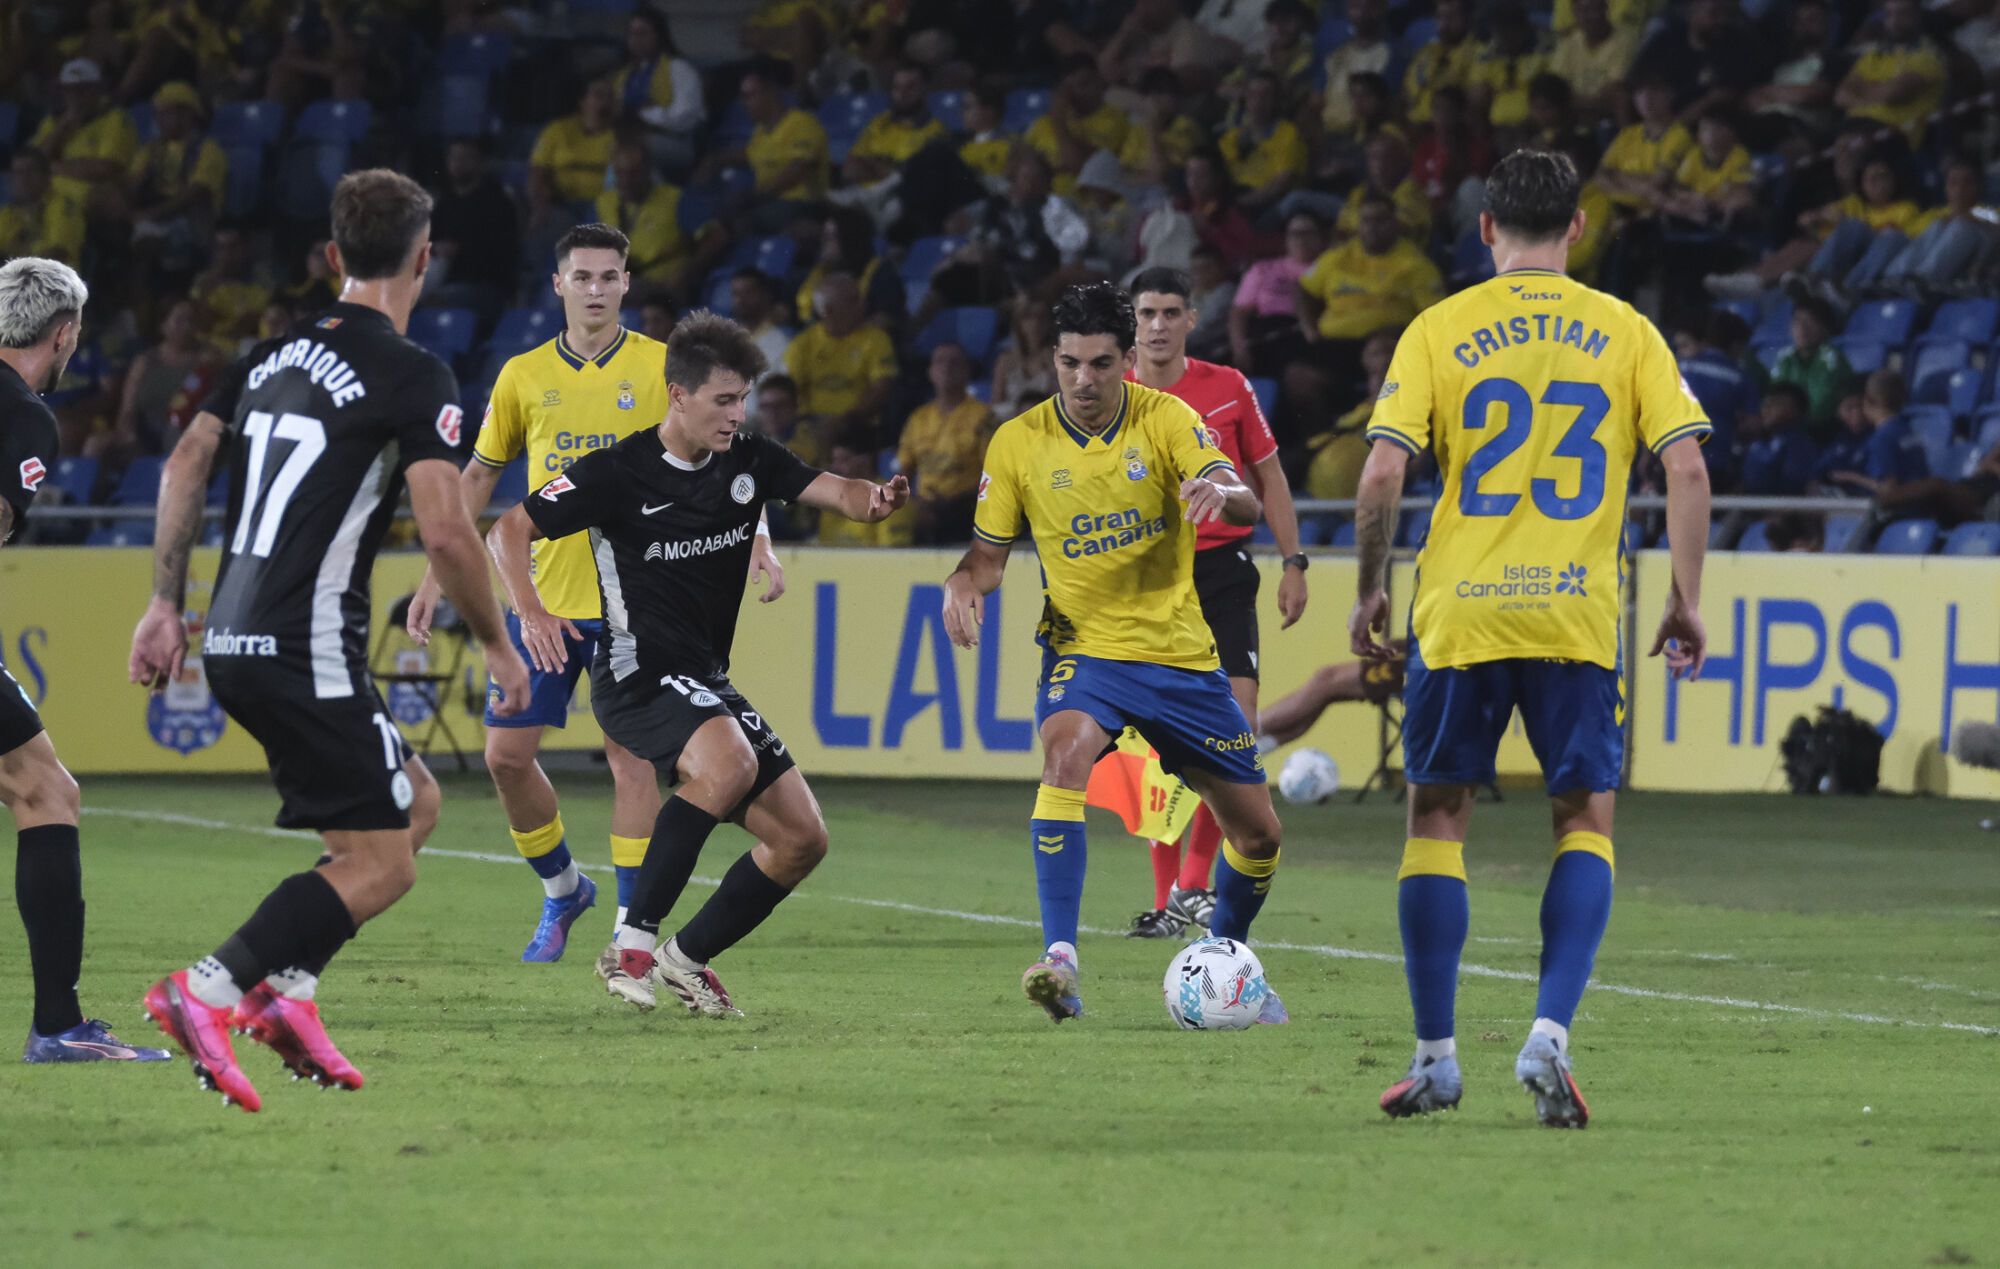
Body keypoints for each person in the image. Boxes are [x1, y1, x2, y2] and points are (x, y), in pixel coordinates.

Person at [128, 170, 533, 1111]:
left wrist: (163, 601)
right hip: (304, 642)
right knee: (384, 860)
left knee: (414, 804)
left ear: (333, 256)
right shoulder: (413, 373)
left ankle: (289, 993)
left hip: (230, 631)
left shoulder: (265, 358)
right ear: (425, 259)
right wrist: (500, 648)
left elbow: (187, 457)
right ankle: (210, 988)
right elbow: (445, 530)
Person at [1349, 149, 1711, 1126]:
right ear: (1577, 229)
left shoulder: (1438, 328)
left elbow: (1381, 474)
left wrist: (1368, 589)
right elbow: (1684, 471)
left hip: (1460, 611)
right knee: (1582, 822)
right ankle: (1547, 1036)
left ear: (1483, 228)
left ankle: (1434, 1060)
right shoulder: (1623, 330)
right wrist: (1682, 597)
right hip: (1573, 614)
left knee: (1435, 822)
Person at [487, 311, 909, 1016]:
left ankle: (686, 957)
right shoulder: (616, 472)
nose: (736, 414)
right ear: (677, 395)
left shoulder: (749, 458)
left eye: (743, 398)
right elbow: (509, 528)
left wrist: (877, 501)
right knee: (728, 764)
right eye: (722, 399)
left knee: (803, 838)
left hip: (702, 676)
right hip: (634, 671)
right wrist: (531, 610)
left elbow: (835, 490)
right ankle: (631, 942)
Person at [408, 223, 780, 963]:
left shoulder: (659, 366)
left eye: (610, 277)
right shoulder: (522, 375)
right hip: (542, 598)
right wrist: (435, 570)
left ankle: (627, 926)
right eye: (583, 277)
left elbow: (722, 447)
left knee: (630, 760)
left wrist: (760, 534)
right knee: (505, 757)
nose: (597, 290)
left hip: (637, 601)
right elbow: (478, 477)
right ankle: (561, 888)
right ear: (558, 286)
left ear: (627, 282)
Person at [942, 280, 1287, 1024]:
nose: (1083, 381)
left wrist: (1219, 491)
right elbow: (987, 556)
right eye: (1069, 362)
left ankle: (1227, 958)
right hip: (1085, 651)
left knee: (1258, 834)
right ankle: (1060, 960)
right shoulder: (1018, 442)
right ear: (1051, 359)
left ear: (1126, 359)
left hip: (1179, 657)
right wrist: (963, 583)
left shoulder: (1168, 418)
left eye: (1100, 364)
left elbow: (1240, 491)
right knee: (1064, 754)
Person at [0, 257, 170, 1065]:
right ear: (63, 334)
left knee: (43, 785)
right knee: (47, 792)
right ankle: (58, 1026)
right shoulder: (23, 414)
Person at [1119, 266, 1306, 939]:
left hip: (1223, 568)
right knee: (1152, 738)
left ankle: (1195, 884)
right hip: (1146, 574)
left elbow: (1270, 476)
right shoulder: (1112, 394)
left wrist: (1294, 561)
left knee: (1238, 722)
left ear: (1192, 318)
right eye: (1147, 314)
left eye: (1171, 312)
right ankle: (1171, 893)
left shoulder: (1227, 388)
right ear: (1131, 322)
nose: (1159, 325)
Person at [786, 271, 898, 445]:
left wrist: (846, 420)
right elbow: (790, 390)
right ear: (828, 311)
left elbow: (881, 387)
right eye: (853, 300)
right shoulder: (802, 345)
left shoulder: (876, 339)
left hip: (858, 425)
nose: (863, 304)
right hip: (811, 424)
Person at [898, 342, 994, 543]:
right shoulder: (918, 418)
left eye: (954, 362)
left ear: (967, 372)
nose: (947, 367)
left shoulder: (983, 417)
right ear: (931, 371)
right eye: (940, 362)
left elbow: (993, 475)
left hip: (966, 508)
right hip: (924, 507)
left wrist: (955, 502)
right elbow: (905, 470)